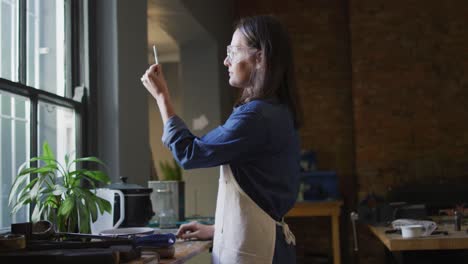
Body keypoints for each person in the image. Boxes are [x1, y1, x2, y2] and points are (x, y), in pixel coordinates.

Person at [141, 15, 302, 264]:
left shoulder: (255, 117)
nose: (226, 60)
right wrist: (218, 230)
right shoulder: (277, 111)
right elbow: (261, 194)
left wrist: (162, 97)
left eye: (234, 51)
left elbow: (189, 153)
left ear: (259, 57)